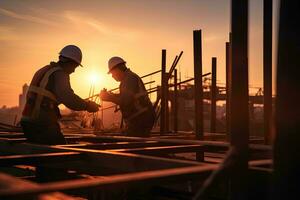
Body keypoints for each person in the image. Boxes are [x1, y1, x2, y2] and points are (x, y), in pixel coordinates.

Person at [21, 45, 99, 145]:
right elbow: (68, 97)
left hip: (27, 122)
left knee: (41, 152)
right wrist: (87, 105)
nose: (73, 71)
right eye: (74, 67)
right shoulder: (60, 74)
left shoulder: (44, 70)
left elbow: (49, 95)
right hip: (42, 123)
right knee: (62, 151)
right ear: (69, 62)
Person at [100, 56, 155, 137]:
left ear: (117, 69)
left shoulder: (130, 79)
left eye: (112, 73)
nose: (112, 76)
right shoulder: (128, 79)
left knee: (134, 144)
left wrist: (109, 97)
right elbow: (126, 96)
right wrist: (110, 95)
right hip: (139, 119)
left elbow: (125, 101)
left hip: (141, 119)